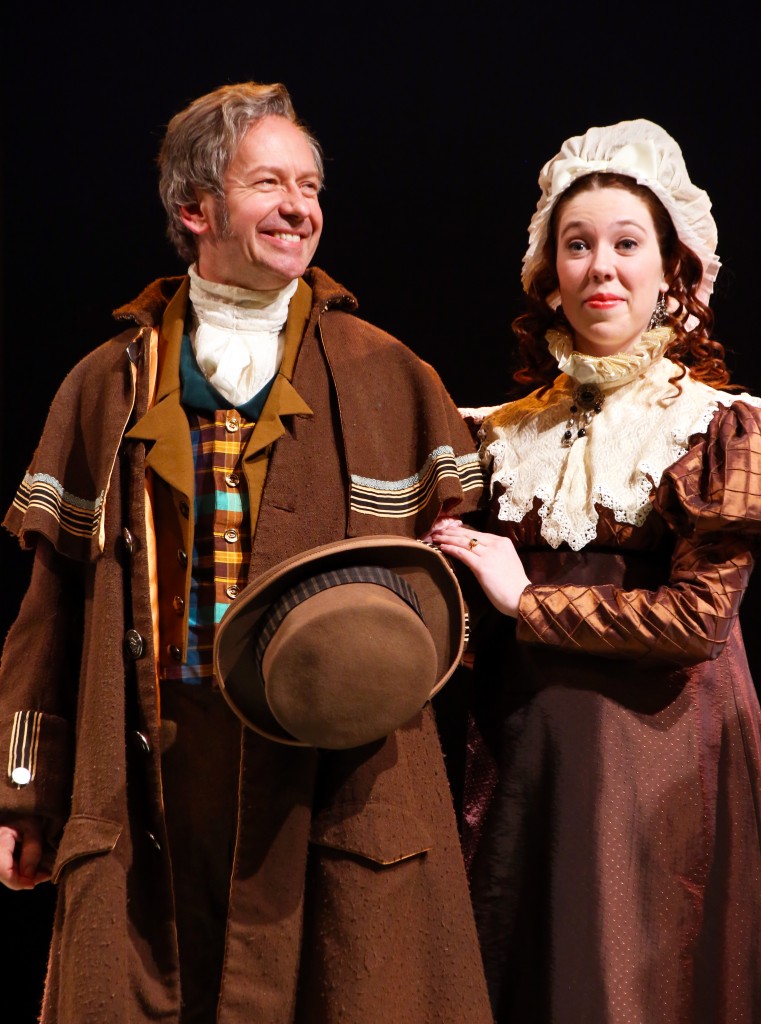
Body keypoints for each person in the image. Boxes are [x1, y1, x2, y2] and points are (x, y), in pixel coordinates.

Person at [0, 82, 492, 1024]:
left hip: (337, 774)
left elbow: (443, 595)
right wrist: (25, 793)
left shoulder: (388, 374)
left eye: (310, 185)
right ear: (196, 209)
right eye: (269, 182)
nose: (301, 207)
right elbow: (50, 611)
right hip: (153, 768)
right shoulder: (107, 385)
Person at [431, 119, 761, 1022]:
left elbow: (697, 621)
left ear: (672, 273)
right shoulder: (492, 433)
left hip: (658, 756)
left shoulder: (714, 426)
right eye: (576, 246)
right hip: (527, 751)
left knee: (634, 980)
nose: (600, 268)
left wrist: (525, 598)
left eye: (626, 244)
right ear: (548, 275)